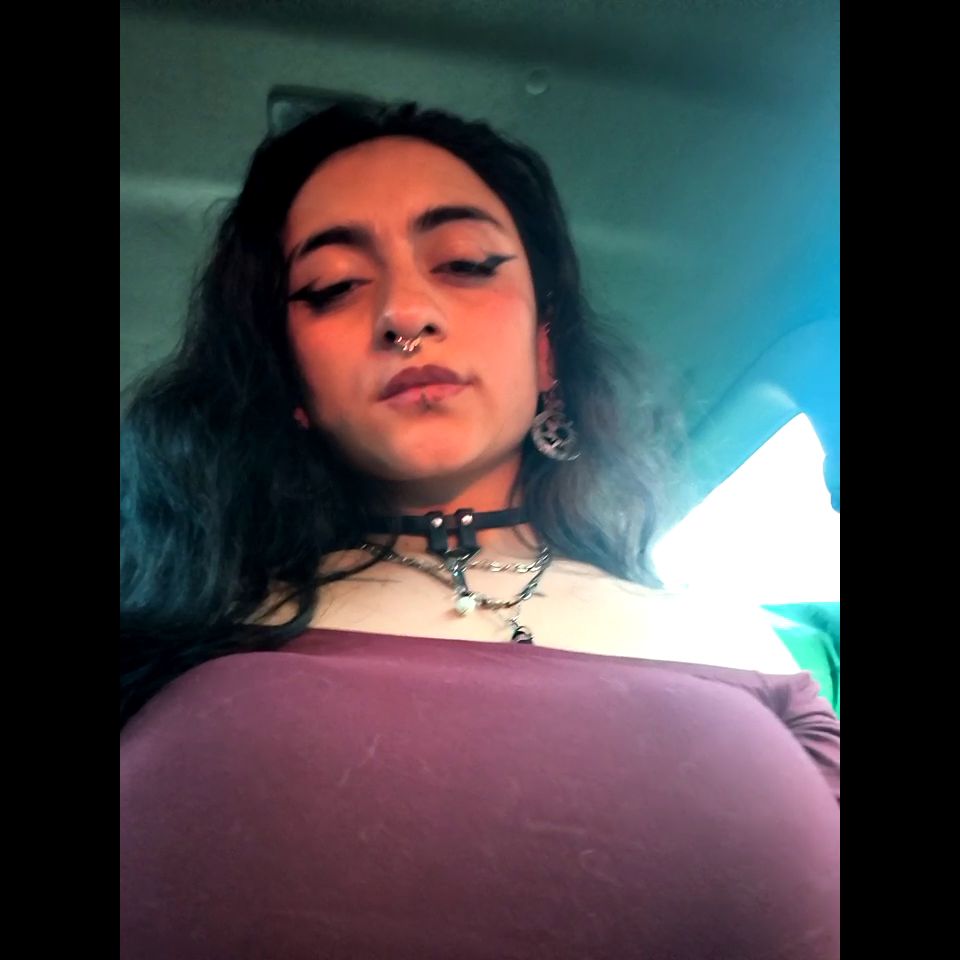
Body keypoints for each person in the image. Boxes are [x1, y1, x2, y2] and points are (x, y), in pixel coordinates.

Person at [120, 100, 839, 959]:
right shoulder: (178, 628)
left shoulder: (748, 647)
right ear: (293, 387)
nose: (405, 312)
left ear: (546, 351)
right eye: (333, 286)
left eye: (464, 263)